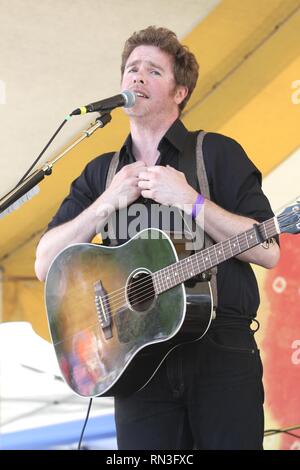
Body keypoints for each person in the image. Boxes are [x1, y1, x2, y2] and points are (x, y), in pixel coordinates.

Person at [35, 26, 280, 450]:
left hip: (219, 352)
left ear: (180, 92)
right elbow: (43, 263)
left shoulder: (216, 153)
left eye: (153, 71)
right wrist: (105, 203)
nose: (137, 78)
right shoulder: (102, 173)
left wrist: (191, 201)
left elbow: (269, 250)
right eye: (131, 70)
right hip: (136, 361)